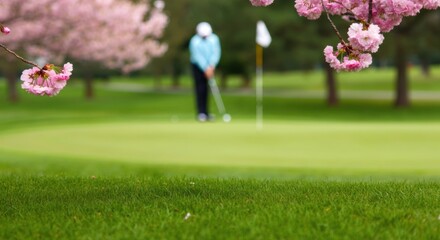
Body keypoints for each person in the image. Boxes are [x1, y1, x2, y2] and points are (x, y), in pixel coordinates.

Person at [189, 22, 221, 122]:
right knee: (200, 89)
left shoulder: (214, 38)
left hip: (211, 66)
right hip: (197, 67)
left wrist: (211, 65)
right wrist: (205, 68)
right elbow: (197, 56)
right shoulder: (194, 41)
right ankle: (201, 113)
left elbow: (216, 52)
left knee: (208, 89)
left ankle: (206, 113)